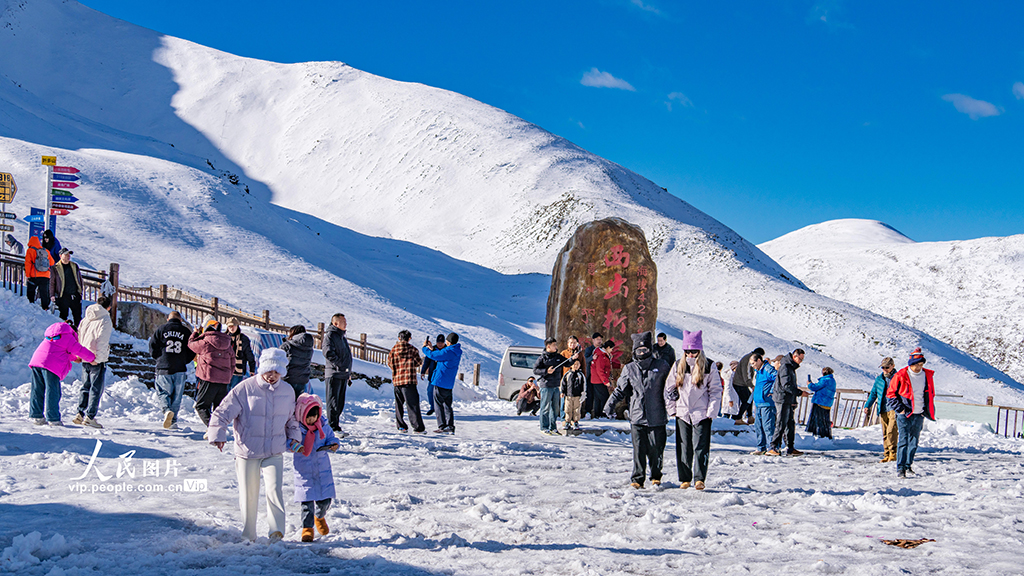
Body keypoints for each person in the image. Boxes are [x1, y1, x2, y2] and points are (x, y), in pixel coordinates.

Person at [208, 348, 303, 542]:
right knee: (248, 494)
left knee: (274, 490)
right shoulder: (245, 389)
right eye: (269, 371)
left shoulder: (287, 391)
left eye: (277, 372)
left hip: (274, 450)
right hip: (247, 450)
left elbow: (291, 419)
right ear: (262, 368)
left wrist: (294, 437)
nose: (272, 376)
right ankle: (248, 534)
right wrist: (218, 434)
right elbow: (222, 412)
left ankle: (276, 532)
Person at [606, 331, 671, 488]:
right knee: (639, 450)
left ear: (650, 350)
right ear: (634, 351)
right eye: (639, 350)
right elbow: (620, 389)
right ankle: (637, 479)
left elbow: (671, 388)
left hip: (657, 416)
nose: (642, 353)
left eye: (645, 350)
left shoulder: (661, 366)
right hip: (637, 415)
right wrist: (610, 404)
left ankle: (656, 475)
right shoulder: (629, 369)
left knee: (656, 449)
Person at [664, 330, 721, 490]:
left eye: (694, 351)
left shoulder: (709, 366)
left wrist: (711, 412)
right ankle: (685, 478)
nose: (690, 354)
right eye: (687, 351)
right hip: (682, 412)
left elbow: (715, 390)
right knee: (683, 447)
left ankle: (699, 478)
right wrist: (672, 409)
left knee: (701, 447)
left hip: (701, 413)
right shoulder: (677, 365)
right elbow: (669, 389)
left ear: (700, 350)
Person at [292, 394, 340, 542]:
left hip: (322, 469)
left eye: (314, 417)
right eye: (308, 417)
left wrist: (333, 444)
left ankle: (320, 517)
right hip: (304, 471)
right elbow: (289, 442)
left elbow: (332, 438)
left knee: (325, 500)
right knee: (307, 503)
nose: (312, 420)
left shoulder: (323, 426)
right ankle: (307, 528)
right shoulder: (297, 428)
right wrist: (296, 446)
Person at [28, 321, 95, 426]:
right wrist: (92, 358)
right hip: (50, 365)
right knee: (53, 391)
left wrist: (74, 359)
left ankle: (37, 416)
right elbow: (79, 350)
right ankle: (53, 418)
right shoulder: (68, 336)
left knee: (37, 389)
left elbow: (59, 350)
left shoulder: (53, 335)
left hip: (37, 362)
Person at [886, 348, 936, 478]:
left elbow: (930, 393)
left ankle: (908, 465)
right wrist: (900, 409)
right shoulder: (901, 375)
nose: (919, 367)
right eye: (917, 364)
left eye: (921, 364)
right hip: (904, 413)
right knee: (904, 440)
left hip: (919, 413)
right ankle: (900, 468)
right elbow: (891, 394)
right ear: (911, 364)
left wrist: (927, 409)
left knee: (914, 442)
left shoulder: (927, 375)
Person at [72, 295, 113, 428]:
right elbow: (102, 340)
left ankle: (80, 413)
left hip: (84, 355)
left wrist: (79, 354)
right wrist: (99, 359)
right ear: (109, 307)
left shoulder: (86, 318)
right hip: (96, 358)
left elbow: (79, 336)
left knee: (85, 386)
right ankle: (90, 416)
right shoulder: (105, 319)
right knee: (95, 388)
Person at [150, 311, 196, 429]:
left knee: (163, 392)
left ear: (168, 319)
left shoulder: (161, 329)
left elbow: (152, 346)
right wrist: (184, 360)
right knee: (177, 396)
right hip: (180, 367)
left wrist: (159, 358)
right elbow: (192, 349)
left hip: (164, 366)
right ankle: (173, 421)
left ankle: (166, 411)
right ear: (181, 320)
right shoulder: (186, 331)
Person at [189, 316, 234, 427]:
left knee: (201, 406)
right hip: (224, 380)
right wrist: (228, 375)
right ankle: (219, 428)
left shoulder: (205, 342)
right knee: (219, 408)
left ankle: (213, 428)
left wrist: (195, 333)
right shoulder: (227, 343)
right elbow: (233, 361)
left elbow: (191, 344)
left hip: (208, 377)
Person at [422, 332, 463, 434]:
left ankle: (442, 426)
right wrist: (432, 348)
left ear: (448, 342)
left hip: (440, 380)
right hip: (449, 382)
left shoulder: (449, 351)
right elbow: (439, 353)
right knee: (447, 405)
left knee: (438, 405)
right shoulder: (455, 351)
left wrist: (424, 348)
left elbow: (433, 355)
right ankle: (450, 426)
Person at [768, 349, 806, 456]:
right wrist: (799, 393)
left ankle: (790, 447)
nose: (801, 361)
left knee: (790, 424)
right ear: (795, 356)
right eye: (800, 359)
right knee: (781, 422)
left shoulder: (790, 367)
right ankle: (774, 447)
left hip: (787, 399)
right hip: (782, 399)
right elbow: (786, 385)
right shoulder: (785, 366)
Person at [387, 330, 425, 433]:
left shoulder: (393, 350)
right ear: (409, 338)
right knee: (412, 404)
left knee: (399, 404)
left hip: (397, 381)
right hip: (409, 380)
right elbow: (418, 363)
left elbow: (389, 363)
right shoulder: (413, 349)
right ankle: (418, 427)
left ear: (399, 338)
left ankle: (401, 426)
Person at [864, 357, 898, 463]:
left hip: (894, 408)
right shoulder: (879, 379)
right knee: (885, 432)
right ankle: (886, 454)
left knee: (891, 431)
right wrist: (867, 405)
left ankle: (893, 454)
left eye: (887, 367)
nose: (885, 369)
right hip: (882, 408)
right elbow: (873, 393)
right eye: (883, 367)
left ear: (893, 366)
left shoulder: (898, 377)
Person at [322, 313, 353, 431]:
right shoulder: (330, 335)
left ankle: (335, 425)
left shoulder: (342, 337)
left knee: (340, 403)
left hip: (343, 374)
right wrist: (339, 365)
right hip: (334, 373)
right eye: (343, 322)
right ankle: (332, 427)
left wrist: (348, 372)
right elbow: (328, 352)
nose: (346, 324)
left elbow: (347, 356)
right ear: (335, 323)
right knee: (333, 402)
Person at [534, 337, 568, 435]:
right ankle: (544, 427)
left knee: (555, 408)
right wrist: (546, 371)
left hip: (556, 386)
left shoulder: (558, 357)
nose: (556, 347)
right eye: (554, 345)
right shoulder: (542, 358)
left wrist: (573, 358)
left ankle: (553, 427)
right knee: (545, 407)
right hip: (546, 386)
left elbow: (567, 362)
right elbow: (535, 370)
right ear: (548, 346)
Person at [749, 352, 777, 455]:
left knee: (768, 426)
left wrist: (772, 390)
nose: (752, 366)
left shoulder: (767, 369)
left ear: (759, 360)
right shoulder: (758, 371)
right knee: (758, 426)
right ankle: (761, 447)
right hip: (758, 402)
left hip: (767, 403)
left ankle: (773, 447)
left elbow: (777, 377)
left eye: (753, 363)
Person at [49, 248, 84, 328]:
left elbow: (79, 279)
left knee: (77, 316)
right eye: (66, 254)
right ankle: (64, 332)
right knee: (64, 315)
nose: (68, 256)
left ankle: (78, 333)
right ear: (61, 256)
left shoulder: (74, 265)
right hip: (63, 295)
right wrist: (52, 294)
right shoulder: (56, 268)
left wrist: (80, 291)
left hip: (75, 294)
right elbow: (52, 282)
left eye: (69, 254)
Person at [280, 324, 314, 398]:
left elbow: (278, 360)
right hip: (302, 379)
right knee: (297, 403)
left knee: (285, 403)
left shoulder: (287, 345)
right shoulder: (309, 347)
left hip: (288, 378)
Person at [733, 347, 765, 425]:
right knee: (746, 400)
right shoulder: (748, 359)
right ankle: (738, 418)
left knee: (750, 398)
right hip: (740, 383)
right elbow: (746, 374)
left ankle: (750, 417)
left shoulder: (748, 357)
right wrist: (751, 385)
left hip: (742, 383)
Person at [225, 318, 256, 391]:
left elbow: (249, 354)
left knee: (234, 391)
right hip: (225, 369)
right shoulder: (224, 338)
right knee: (224, 392)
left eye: (233, 326)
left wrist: (252, 369)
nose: (231, 328)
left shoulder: (243, 339)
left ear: (237, 326)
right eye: (229, 326)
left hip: (238, 369)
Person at [589, 340, 618, 419]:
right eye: (611, 349)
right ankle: (604, 413)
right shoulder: (601, 355)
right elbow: (600, 370)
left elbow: (608, 365)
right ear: (608, 347)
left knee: (598, 398)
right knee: (604, 397)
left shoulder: (604, 354)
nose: (612, 351)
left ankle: (598, 414)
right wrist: (605, 381)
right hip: (599, 380)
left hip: (598, 379)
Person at [805, 367, 837, 439]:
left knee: (818, 419)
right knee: (825, 420)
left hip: (820, 402)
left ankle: (819, 434)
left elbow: (815, 387)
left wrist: (809, 384)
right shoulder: (832, 380)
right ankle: (825, 435)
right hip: (827, 403)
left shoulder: (825, 380)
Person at [24, 235, 53, 311]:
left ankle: (30, 303)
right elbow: (52, 262)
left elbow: (28, 264)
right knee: (44, 292)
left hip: (34, 275)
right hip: (46, 275)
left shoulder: (30, 250)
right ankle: (45, 307)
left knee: (31, 290)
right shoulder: (45, 251)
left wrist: (27, 275)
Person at [420, 334, 445, 416]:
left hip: (442, 376)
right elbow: (427, 361)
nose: (440, 344)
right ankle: (432, 407)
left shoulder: (446, 351)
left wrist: (432, 349)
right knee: (430, 391)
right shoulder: (433, 349)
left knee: (441, 393)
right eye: (438, 342)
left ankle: (441, 408)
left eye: (441, 342)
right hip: (432, 375)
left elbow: (439, 356)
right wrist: (423, 371)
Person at [560, 360, 587, 431]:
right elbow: (563, 384)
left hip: (577, 395)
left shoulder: (581, 375)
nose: (576, 366)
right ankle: (567, 422)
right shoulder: (567, 374)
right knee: (567, 409)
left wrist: (583, 393)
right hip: (568, 395)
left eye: (577, 364)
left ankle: (575, 421)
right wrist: (562, 392)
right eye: (574, 364)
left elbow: (584, 385)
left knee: (577, 409)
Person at [582, 332, 603, 418]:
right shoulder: (589, 349)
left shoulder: (602, 349)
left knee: (599, 394)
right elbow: (585, 360)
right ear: (593, 340)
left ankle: (599, 413)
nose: (599, 341)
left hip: (599, 375)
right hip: (590, 375)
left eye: (600, 339)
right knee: (589, 394)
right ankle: (588, 411)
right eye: (597, 339)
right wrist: (592, 358)